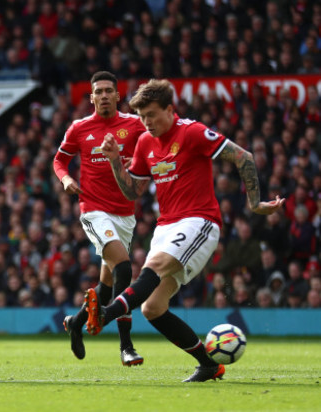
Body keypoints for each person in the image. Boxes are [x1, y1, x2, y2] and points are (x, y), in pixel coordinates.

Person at [90, 79, 284, 382]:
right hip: (165, 226)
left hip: (200, 222)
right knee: (153, 308)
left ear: (170, 110)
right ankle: (209, 365)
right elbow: (132, 191)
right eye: (142, 117)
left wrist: (256, 203)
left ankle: (106, 314)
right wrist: (116, 161)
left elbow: (243, 156)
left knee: (151, 267)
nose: (147, 122)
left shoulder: (191, 132)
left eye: (152, 114)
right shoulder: (144, 142)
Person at [53, 71, 147, 365]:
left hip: (125, 213)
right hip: (93, 209)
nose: (104, 95)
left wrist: (135, 161)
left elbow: (148, 155)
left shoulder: (133, 125)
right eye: (99, 91)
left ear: (118, 96)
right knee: (123, 268)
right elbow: (59, 160)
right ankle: (126, 346)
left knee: (106, 286)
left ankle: (76, 323)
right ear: (92, 98)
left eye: (109, 90)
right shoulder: (79, 128)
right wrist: (66, 178)